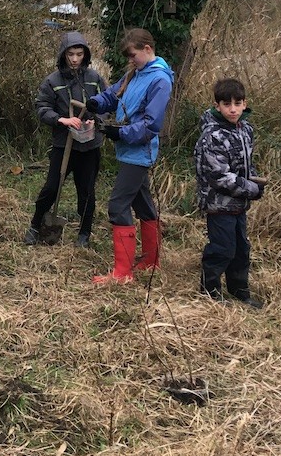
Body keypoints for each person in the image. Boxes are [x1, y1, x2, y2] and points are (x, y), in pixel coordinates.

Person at [85, 28, 173, 284]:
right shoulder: (136, 72)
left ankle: (123, 273)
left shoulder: (160, 80)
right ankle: (150, 261)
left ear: (147, 49)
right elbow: (114, 94)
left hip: (139, 151)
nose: (130, 60)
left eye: (133, 55)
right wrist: (96, 103)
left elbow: (150, 125)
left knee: (118, 205)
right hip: (129, 149)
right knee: (142, 203)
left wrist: (119, 133)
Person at [27, 31, 107, 248]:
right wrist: (61, 119)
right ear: (63, 54)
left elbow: (106, 104)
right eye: (70, 54)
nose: (74, 59)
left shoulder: (95, 79)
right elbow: (42, 107)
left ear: (85, 55)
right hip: (63, 145)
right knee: (51, 188)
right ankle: (35, 225)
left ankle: (84, 232)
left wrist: (96, 120)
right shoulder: (52, 81)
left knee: (87, 192)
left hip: (89, 145)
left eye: (79, 54)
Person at [194, 78, 265, 308]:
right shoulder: (212, 136)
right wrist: (250, 189)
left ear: (245, 104)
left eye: (237, 103)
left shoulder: (245, 130)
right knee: (222, 248)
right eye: (227, 104)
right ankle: (210, 291)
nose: (233, 109)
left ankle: (239, 290)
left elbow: (246, 164)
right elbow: (219, 176)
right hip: (219, 203)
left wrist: (255, 180)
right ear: (217, 106)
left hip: (239, 204)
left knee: (241, 249)